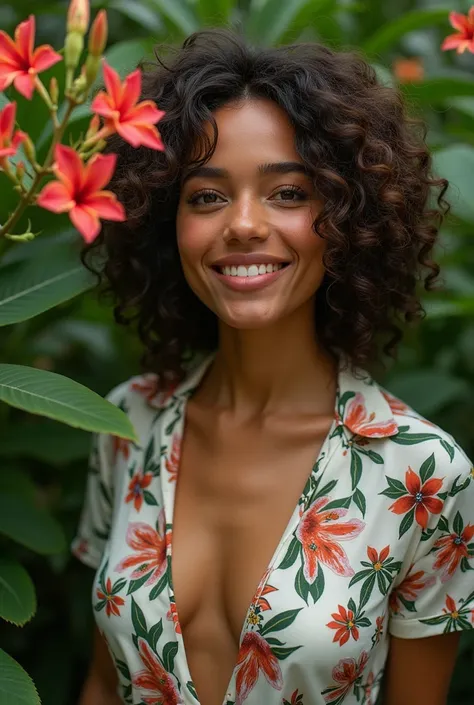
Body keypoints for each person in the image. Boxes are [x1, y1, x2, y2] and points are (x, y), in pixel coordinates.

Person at [71, 28, 474, 705]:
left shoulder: (423, 475)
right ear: (166, 224)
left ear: (348, 216)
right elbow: (101, 686)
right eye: (206, 196)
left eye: (288, 192)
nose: (245, 225)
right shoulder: (125, 422)